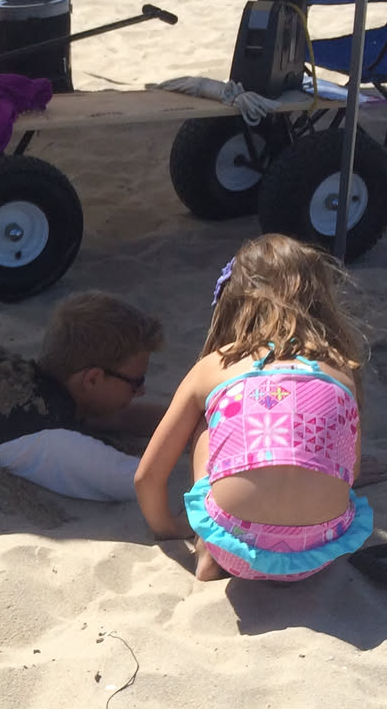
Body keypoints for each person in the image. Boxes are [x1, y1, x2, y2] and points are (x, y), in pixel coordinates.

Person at [133, 235, 374, 582]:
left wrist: (167, 530)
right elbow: (351, 468)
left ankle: (207, 550)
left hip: (233, 545)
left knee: (208, 421)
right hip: (320, 550)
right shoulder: (339, 365)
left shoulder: (215, 364)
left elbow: (147, 477)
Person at [0, 291, 166, 502]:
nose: (141, 391)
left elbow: (121, 418)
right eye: (136, 382)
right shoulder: (57, 439)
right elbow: (142, 480)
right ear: (92, 379)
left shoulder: (35, 383)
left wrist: (184, 420)